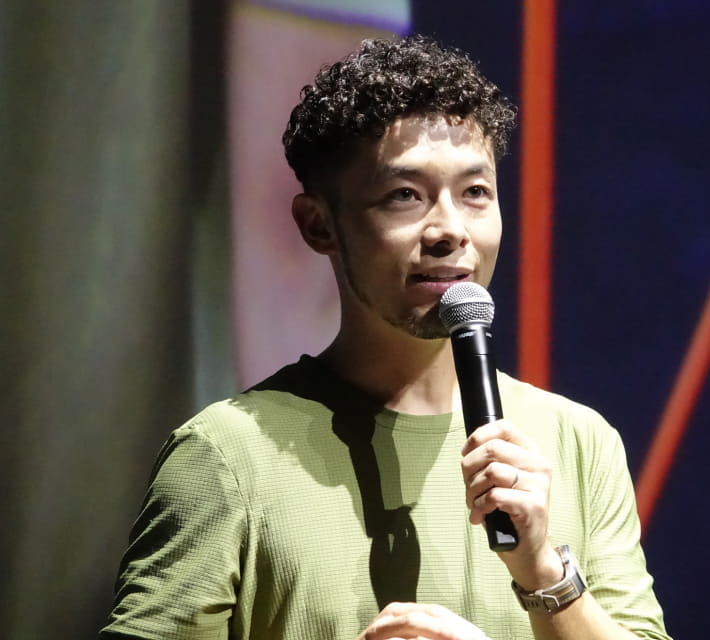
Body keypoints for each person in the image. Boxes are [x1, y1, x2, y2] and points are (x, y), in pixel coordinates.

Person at [101, 35, 670, 640]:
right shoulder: (227, 455)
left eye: (475, 193)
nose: (450, 230)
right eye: (405, 196)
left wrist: (543, 570)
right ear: (319, 224)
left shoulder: (577, 441)